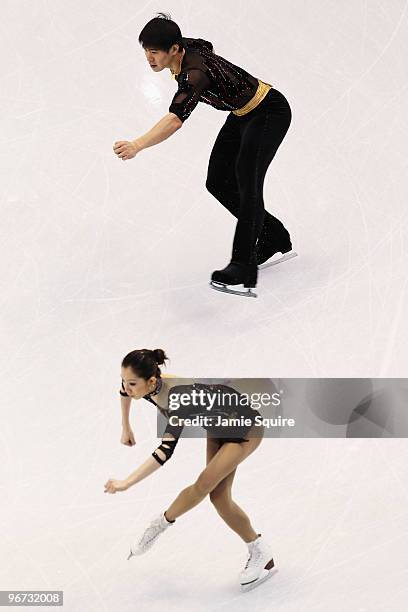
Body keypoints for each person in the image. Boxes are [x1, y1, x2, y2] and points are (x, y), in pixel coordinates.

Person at [112, 13, 296, 298]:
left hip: (269, 112)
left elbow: (175, 119)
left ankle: (243, 265)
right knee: (218, 180)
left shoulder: (194, 74)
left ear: (174, 49)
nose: (149, 58)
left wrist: (137, 145)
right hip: (241, 114)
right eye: (146, 51)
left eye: (154, 52)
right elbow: (204, 43)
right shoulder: (186, 48)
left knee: (248, 184)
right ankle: (273, 235)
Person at [103, 348, 277, 592]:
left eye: (132, 383)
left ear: (151, 381)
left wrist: (127, 482)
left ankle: (160, 524)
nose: (126, 387)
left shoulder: (178, 398)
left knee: (204, 484)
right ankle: (261, 553)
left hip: (243, 427)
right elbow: (124, 392)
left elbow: (165, 451)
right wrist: (126, 426)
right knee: (220, 499)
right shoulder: (146, 384)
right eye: (124, 380)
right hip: (217, 425)